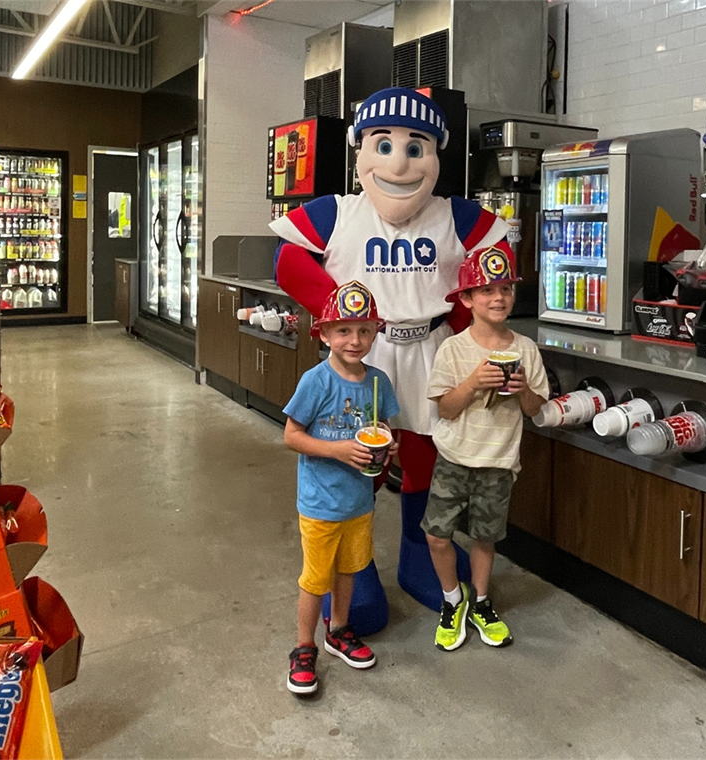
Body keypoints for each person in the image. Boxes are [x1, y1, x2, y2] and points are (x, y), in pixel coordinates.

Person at [272, 87, 516, 611]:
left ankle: (419, 553)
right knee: (357, 452)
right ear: (359, 150)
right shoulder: (338, 212)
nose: (399, 163)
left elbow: (495, 262)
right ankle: (352, 567)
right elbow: (288, 261)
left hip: (434, 348)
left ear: (436, 154)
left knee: (431, 455)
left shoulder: (454, 215)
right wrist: (340, 313)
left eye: (415, 147)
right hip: (362, 350)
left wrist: (464, 325)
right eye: (383, 146)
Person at [423, 247, 548, 650]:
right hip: (454, 457)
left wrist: (522, 389)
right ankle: (452, 598)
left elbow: (535, 409)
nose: (499, 298)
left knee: (485, 537)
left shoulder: (526, 349)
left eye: (506, 289)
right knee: (437, 535)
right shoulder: (452, 349)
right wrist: (474, 383)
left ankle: (479, 600)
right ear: (466, 299)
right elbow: (445, 408)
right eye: (487, 290)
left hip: (498, 460)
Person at [282, 281, 400, 695]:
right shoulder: (316, 381)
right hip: (320, 503)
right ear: (325, 333)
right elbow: (292, 436)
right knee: (316, 578)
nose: (355, 340)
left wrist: (388, 444)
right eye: (344, 330)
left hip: (359, 502)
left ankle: (339, 630)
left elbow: (384, 427)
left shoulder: (378, 382)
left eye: (365, 330)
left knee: (349, 569)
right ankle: (304, 646)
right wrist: (338, 450)